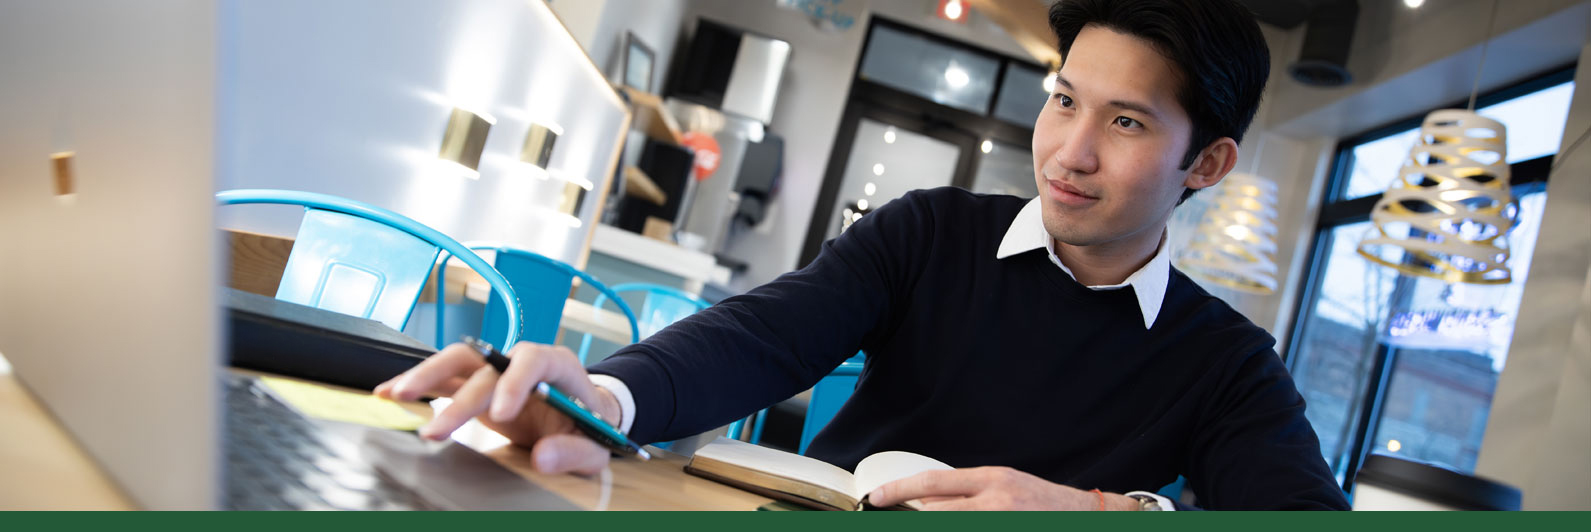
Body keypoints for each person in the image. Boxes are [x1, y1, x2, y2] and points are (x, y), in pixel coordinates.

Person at [375, 0, 1350, 510]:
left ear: (1207, 163)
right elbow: (763, 335)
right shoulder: (930, 233)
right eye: (1063, 99)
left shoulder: (1222, 364)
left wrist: (1106, 510)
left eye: (1126, 120)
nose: (1069, 152)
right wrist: (609, 398)